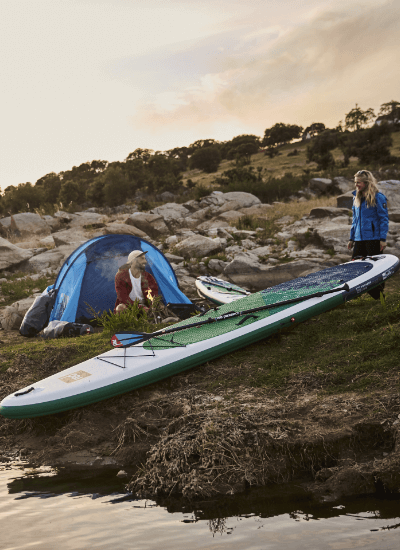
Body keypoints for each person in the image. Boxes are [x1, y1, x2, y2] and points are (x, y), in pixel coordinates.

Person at [347, 169, 389, 299]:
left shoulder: (378, 197)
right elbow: (355, 220)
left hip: (374, 239)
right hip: (359, 239)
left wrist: (382, 238)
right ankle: (356, 296)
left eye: (359, 182)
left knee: (375, 269)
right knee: (355, 267)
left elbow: (384, 219)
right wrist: (351, 238)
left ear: (366, 182)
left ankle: (379, 297)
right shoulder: (356, 197)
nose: (356, 185)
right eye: (355, 182)